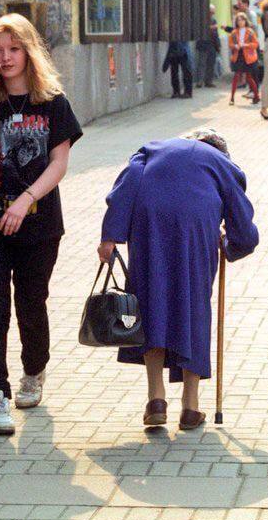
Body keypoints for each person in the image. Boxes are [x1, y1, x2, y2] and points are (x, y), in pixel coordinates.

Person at [98, 129, 259, 430]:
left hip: (150, 222)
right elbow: (242, 221)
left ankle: (156, 400)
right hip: (195, 227)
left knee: (151, 302)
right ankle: (190, 407)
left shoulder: (154, 147)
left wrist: (111, 235)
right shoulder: (220, 162)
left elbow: (128, 182)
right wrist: (233, 245)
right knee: (193, 305)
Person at [0, 14, 82, 435]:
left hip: (39, 222)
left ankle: (33, 370)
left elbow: (59, 165)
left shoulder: (53, 103)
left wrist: (25, 201)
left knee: (31, 302)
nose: (5, 57)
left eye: (13, 49)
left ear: (29, 51)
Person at [228, 12, 259, 105]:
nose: (240, 22)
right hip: (238, 55)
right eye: (238, 20)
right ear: (236, 22)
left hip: (248, 56)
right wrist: (235, 46)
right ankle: (232, 98)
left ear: (246, 21)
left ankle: (256, 96)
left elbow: (255, 44)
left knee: (249, 77)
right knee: (236, 76)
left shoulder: (250, 31)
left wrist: (246, 45)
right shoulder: (234, 32)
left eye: (242, 20)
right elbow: (230, 44)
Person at [195, 5, 220, 89]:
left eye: (213, 12)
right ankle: (199, 81)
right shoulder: (201, 19)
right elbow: (199, 29)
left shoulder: (214, 20)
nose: (212, 14)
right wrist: (211, 27)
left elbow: (216, 34)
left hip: (212, 44)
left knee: (211, 63)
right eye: (211, 12)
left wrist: (218, 45)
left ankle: (209, 81)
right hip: (203, 44)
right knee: (202, 63)